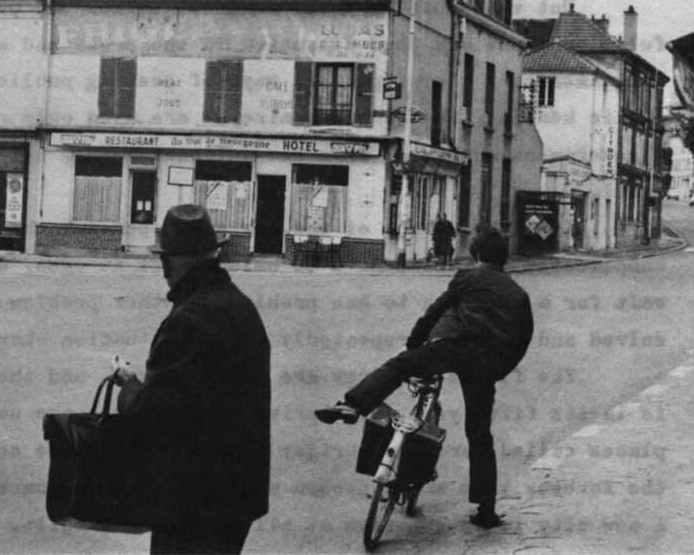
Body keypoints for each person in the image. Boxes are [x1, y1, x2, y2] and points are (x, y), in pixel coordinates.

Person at [315, 227, 533, 529]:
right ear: (502, 258)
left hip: (449, 348)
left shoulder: (466, 278)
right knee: (479, 434)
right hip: (485, 364)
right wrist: (498, 370)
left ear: (477, 254)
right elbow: (522, 339)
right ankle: (486, 509)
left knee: (398, 367)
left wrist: (413, 345)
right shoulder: (518, 294)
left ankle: (353, 405)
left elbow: (433, 314)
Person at [112, 204, 271, 554]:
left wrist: (129, 386)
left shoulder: (190, 318)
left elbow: (157, 412)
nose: (162, 271)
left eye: (163, 260)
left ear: (178, 261)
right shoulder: (239, 305)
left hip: (194, 501)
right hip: (238, 493)